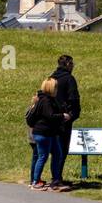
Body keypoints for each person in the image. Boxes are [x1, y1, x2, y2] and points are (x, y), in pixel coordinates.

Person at [48, 54, 80, 190]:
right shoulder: (69, 79)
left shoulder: (51, 77)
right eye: (72, 64)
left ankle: (55, 177)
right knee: (62, 149)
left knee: (55, 150)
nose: (73, 66)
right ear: (67, 65)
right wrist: (73, 114)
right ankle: (57, 178)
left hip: (51, 117)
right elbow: (73, 98)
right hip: (64, 119)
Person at [27, 78, 65, 191]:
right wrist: (63, 116)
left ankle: (56, 179)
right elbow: (50, 116)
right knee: (42, 157)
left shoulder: (49, 99)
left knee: (58, 154)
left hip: (51, 133)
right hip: (43, 133)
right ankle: (35, 181)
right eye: (56, 87)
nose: (57, 89)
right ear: (51, 88)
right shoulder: (45, 101)